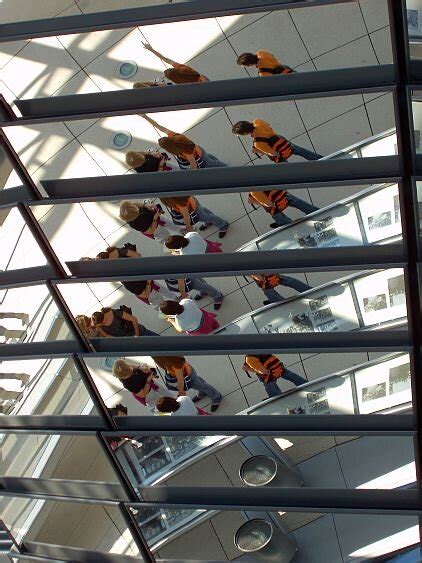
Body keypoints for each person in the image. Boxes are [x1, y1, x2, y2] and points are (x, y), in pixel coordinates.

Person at [141, 114, 227, 169]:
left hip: (200, 157)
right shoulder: (174, 136)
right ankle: (215, 161)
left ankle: (225, 168)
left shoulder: (184, 152)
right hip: (199, 149)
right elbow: (160, 127)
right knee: (209, 157)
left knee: (211, 163)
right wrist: (145, 117)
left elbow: (194, 165)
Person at [232, 119, 323, 163]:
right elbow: (268, 125)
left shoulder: (258, 143)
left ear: (244, 133)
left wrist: (258, 150)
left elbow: (273, 153)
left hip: (279, 151)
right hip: (280, 139)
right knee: (303, 152)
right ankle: (322, 160)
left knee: (287, 167)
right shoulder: (257, 121)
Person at [153, 355, 222, 411]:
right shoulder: (172, 358)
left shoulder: (174, 365)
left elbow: (180, 379)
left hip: (188, 377)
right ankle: (202, 392)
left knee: (202, 386)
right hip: (189, 371)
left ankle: (216, 396)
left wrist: (181, 391)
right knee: (199, 383)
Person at [159, 196, 229, 238]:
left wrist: (188, 226)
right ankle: (208, 222)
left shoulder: (180, 204)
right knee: (204, 212)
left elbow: (186, 217)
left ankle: (223, 225)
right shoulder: (181, 197)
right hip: (194, 203)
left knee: (208, 217)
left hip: (194, 211)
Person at [242, 354, 307, 398]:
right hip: (279, 369)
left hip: (269, 376)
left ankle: (279, 403)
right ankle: (307, 386)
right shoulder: (259, 349)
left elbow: (264, 371)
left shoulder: (249, 358)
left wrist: (251, 369)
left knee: (276, 397)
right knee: (296, 378)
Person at [142, 42, 209, 83]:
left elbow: (164, 58)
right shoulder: (180, 68)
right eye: (169, 69)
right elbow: (164, 58)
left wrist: (151, 50)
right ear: (173, 70)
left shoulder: (179, 82)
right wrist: (151, 49)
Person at [248, 189, 318, 228]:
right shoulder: (262, 178)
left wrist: (263, 203)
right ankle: (318, 213)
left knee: (287, 226)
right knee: (306, 207)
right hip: (284, 196)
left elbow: (268, 204)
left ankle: (286, 225)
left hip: (275, 205)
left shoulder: (254, 192)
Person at [91, 306, 158, 337]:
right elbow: (107, 335)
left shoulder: (114, 312)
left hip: (140, 332)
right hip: (129, 340)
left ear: (102, 321)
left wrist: (137, 335)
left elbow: (133, 319)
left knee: (158, 340)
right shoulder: (99, 326)